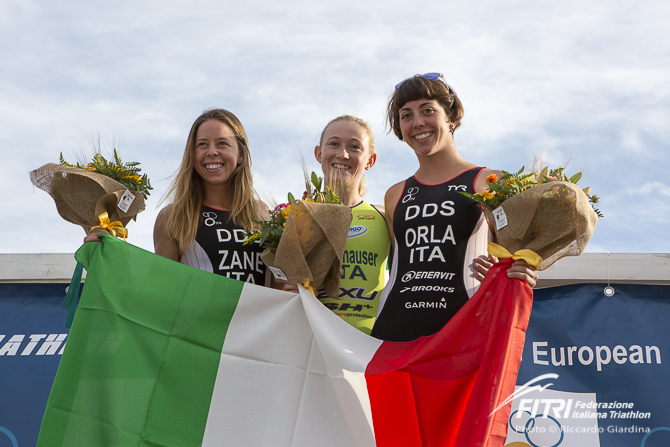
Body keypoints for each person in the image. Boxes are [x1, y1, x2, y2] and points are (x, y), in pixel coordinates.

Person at [371, 73, 537, 342]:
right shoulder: (395, 194)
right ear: (400, 129)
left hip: (466, 334)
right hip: (394, 333)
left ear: (452, 117)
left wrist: (522, 267)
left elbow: (527, 249)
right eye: (406, 115)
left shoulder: (491, 181)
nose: (418, 122)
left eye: (428, 110)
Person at [287, 115, 390, 334]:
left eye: (354, 147)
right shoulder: (295, 216)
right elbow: (276, 285)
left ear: (370, 161)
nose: (343, 154)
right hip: (312, 341)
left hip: (368, 346)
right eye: (334, 144)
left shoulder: (385, 216)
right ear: (319, 153)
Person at [152, 108, 275, 287]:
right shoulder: (172, 217)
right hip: (198, 316)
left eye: (222, 143)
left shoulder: (263, 214)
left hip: (260, 316)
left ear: (240, 154)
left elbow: (280, 287)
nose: (211, 152)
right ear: (192, 155)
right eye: (202, 144)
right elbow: (162, 290)